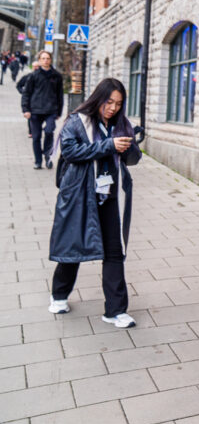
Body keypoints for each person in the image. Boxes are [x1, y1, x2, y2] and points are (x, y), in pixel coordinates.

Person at [48, 78, 141, 328]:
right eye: (109, 102)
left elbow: (134, 160)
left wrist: (130, 146)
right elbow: (70, 152)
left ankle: (115, 310)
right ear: (98, 99)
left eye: (118, 103)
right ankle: (58, 295)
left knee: (114, 252)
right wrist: (108, 145)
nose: (113, 108)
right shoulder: (77, 121)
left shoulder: (121, 124)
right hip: (80, 193)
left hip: (110, 195)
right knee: (73, 247)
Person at [21, 51, 64, 169]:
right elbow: (26, 93)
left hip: (51, 110)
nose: (45, 60)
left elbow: (60, 94)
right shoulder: (33, 76)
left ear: (50, 60)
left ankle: (48, 156)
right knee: (36, 137)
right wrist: (26, 109)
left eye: (47, 58)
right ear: (39, 60)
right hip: (35, 110)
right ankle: (38, 161)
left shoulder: (56, 76)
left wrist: (59, 111)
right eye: (43, 58)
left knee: (49, 132)